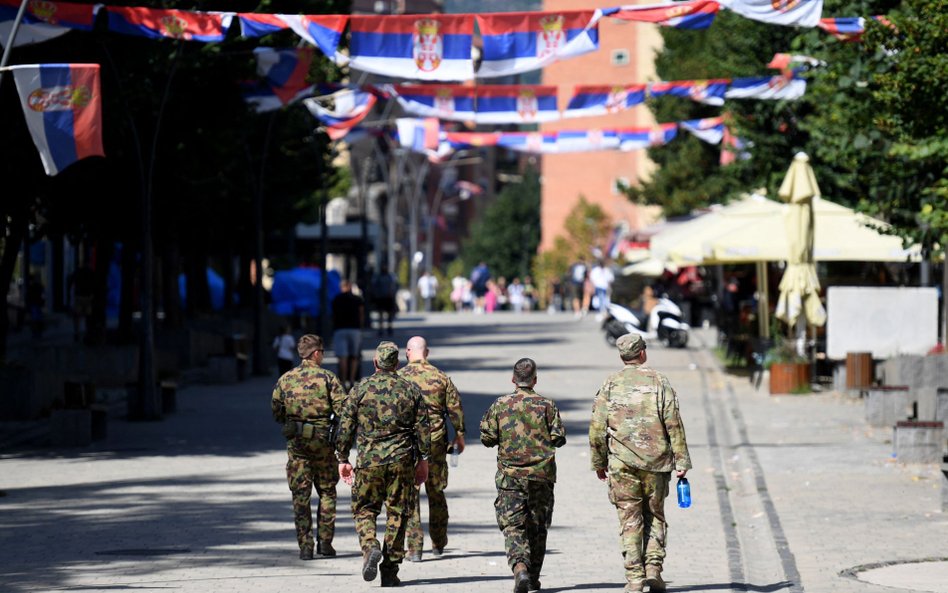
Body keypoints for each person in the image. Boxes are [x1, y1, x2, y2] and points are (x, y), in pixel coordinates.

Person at [588, 333, 692, 593]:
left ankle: (635, 578)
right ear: (643, 353)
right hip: (656, 463)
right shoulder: (659, 381)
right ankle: (654, 568)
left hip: (622, 463)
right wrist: (682, 459)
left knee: (629, 519)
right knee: (655, 514)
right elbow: (673, 422)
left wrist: (598, 461)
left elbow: (597, 427)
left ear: (622, 356)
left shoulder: (610, 384)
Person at [335, 341, 431, 587]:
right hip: (401, 461)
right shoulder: (410, 389)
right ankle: (390, 571)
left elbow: (345, 426)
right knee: (398, 513)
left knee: (364, 509)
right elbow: (423, 428)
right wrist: (423, 460)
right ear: (397, 364)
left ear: (376, 362)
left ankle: (370, 546)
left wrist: (343, 458)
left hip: (369, 461)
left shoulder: (360, 389)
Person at [480, 358, 566, 593]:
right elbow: (559, 437)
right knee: (538, 526)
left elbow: (487, 438)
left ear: (513, 379)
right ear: (535, 380)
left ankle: (520, 568)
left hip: (511, 476)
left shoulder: (500, 405)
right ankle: (533, 576)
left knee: (513, 525)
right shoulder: (547, 405)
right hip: (541, 476)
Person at [271, 334, 348, 561]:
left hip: (298, 447)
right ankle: (325, 543)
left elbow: (276, 412)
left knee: (300, 496)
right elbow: (343, 411)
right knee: (327, 492)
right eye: (322, 352)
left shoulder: (285, 379)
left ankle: (305, 546)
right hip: (324, 445)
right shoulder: (328, 378)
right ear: (316, 353)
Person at [399, 336, 465, 562]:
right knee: (436, 491)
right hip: (436, 441)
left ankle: (414, 548)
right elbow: (455, 409)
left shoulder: (399, 378)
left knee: (411, 493)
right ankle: (438, 542)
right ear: (427, 353)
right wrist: (460, 435)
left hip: (408, 442)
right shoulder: (441, 377)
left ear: (408, 352)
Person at [331, 280, 365, 391]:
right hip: (354, 330)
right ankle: (351, 381)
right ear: (350, 287)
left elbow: (333, 314)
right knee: (354, 356)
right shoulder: (357, 299)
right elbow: (361, 314)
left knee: (343, 357)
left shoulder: (336, 299)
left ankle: (343, 381)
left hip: (340, 329)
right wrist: (360, 327)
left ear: (341, 287)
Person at [371, 264, 399, 336]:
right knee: (380, 315)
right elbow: (374, 287)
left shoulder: (390, 276)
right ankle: (381, 329)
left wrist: (393, 294)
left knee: (389, 315)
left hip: (389, 298)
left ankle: (389, 328)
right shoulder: (378, 277)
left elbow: (395, 286)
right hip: (381, 298)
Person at [69, 264, 94, 343]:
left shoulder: (77, 273)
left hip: (79, 296)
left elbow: (71, 282)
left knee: (77, 316)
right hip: (87, 297)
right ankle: (87, 333)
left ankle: (77, 332)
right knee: (88, 316)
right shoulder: (90, 272)